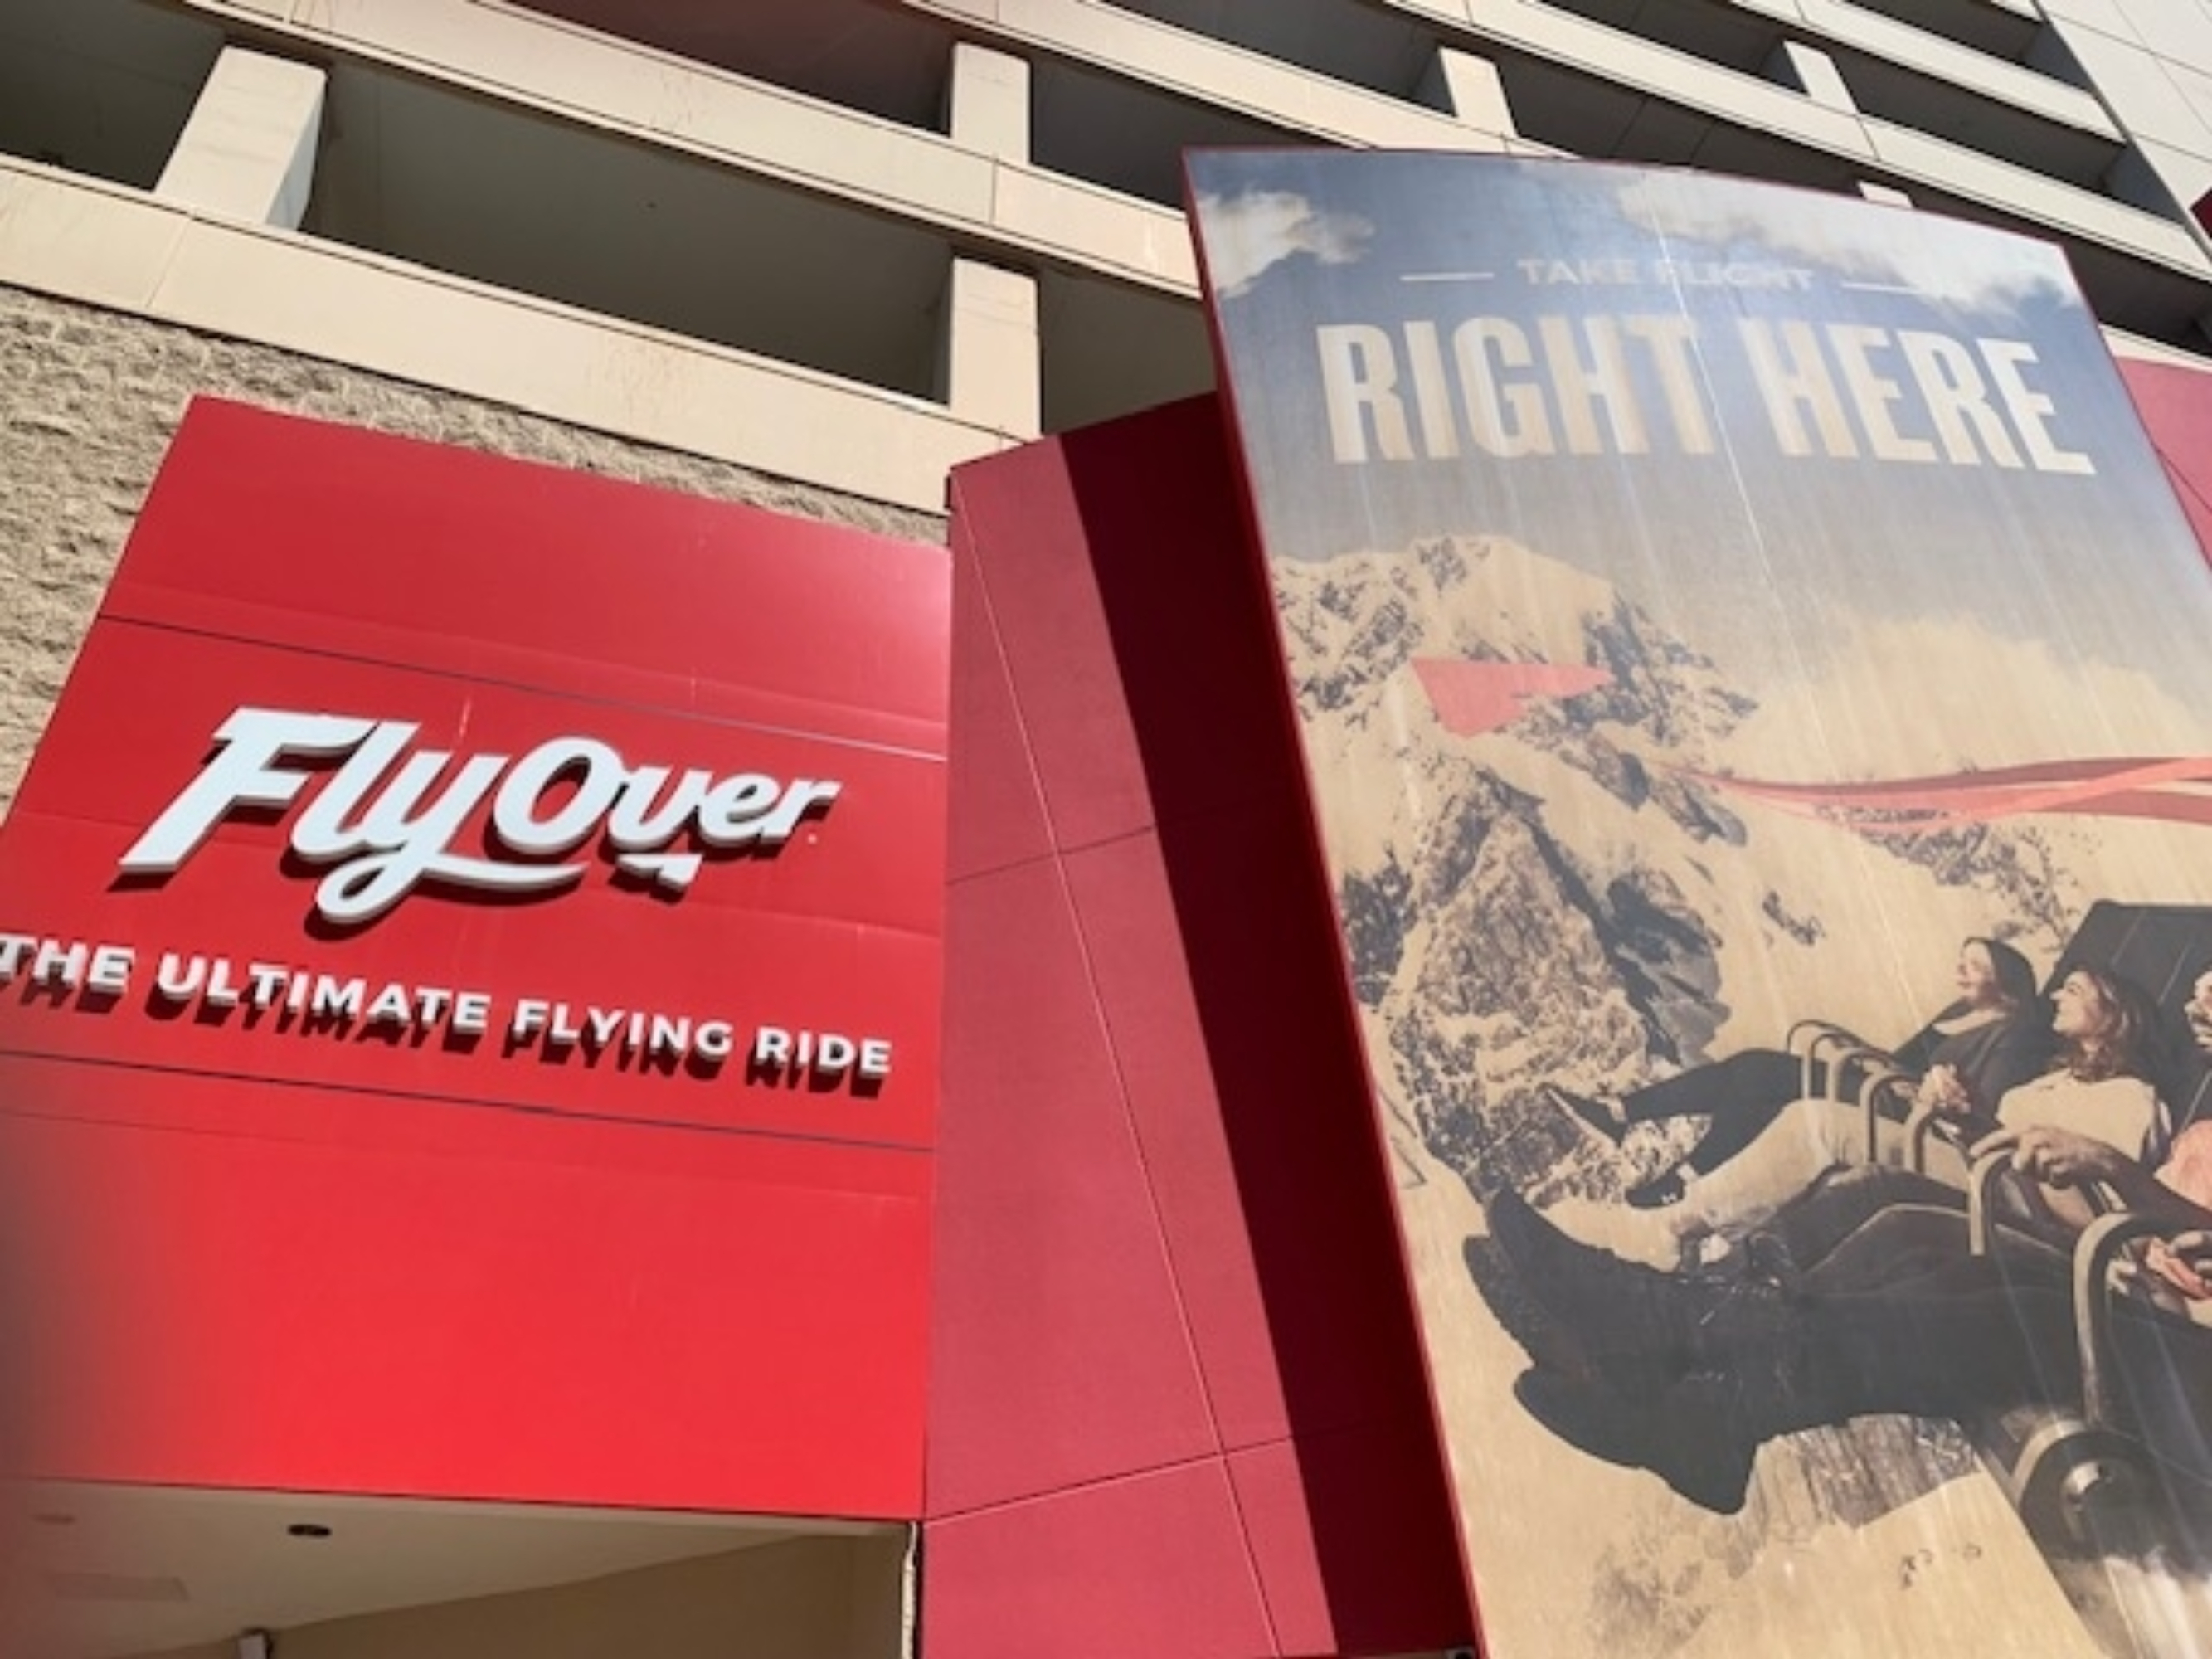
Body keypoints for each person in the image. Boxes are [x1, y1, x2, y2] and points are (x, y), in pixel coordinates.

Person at [1486, 1115, 2212, 1515]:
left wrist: (2116, 1169)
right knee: (1949, 1263)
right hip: (2157, 1303)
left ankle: (1681, 1350)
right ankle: (1694, 1370)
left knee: (2025, 1313)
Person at [1540, 965, 2171, 1271]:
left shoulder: (2132, 1101)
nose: (2059, 994)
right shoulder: (2049, 1081)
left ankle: (1678, 1221)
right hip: (1982, 1171)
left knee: (1823, 1122)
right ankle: (1704, 1233)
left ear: (2115, 1018)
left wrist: (1997, 1148)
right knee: (1773, 1088)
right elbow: (1998, 1142)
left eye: (2078, 990)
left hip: (2014, 1208)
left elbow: (2101, 1210)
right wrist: (1965, 1115)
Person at [1547, 937, 2049, 1208]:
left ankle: (1631, 1119)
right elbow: (1904, 1058)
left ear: (2005, 984)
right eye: (1962, 961)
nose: (1960, 971)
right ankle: (1675, 1169)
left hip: (1915, 1114)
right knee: (1754, 1080)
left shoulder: (2016, 1031)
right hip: (1887, 1088)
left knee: (1760, 1072)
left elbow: (1989, 1102)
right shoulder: (1957, 1013)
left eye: (1975, 966)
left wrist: (1932, 1088)